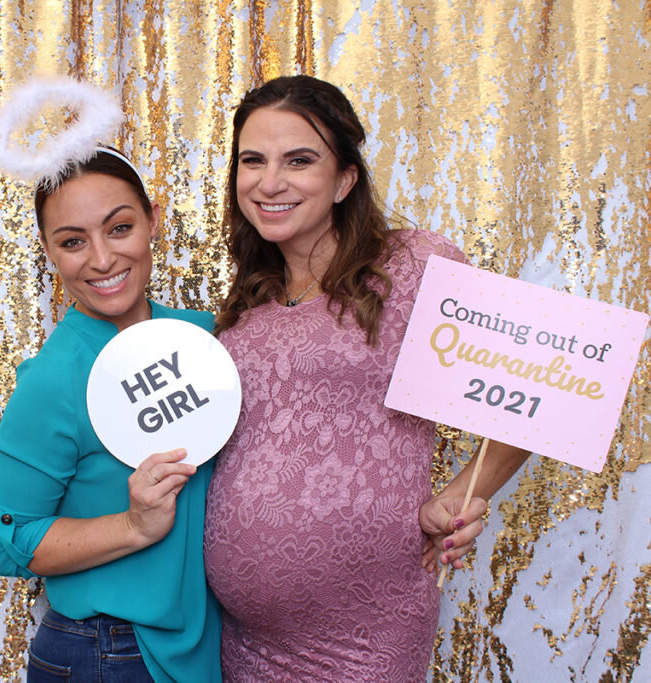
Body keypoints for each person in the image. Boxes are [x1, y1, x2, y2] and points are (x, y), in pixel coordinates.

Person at [203, 75, 530, 681]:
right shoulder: (248, 301)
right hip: (241, 641)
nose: (269, 182)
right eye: (253, 161)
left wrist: (463, 493)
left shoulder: (414, 266)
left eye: (298, 160)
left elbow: (532, 392)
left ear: (345, 179)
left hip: (364, 636)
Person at [0, 146, 222, 682]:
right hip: (107, 651)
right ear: (49, 251)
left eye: (118, 228)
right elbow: (5, 540)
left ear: (152, 220)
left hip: (205, 645)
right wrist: (133, 527)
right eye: (72, 241)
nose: (102, 259)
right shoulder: (55, 377)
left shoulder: (205, 339)